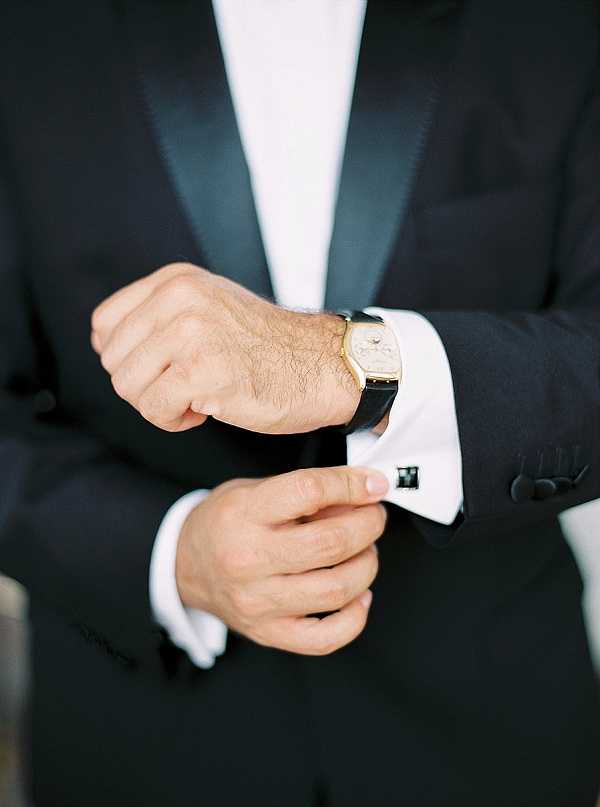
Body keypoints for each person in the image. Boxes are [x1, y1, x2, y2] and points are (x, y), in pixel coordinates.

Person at [1, 1, 599, 805]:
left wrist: (344, 360)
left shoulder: (558, 22)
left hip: (491, 739)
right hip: (137, 745)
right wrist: (174, 554)